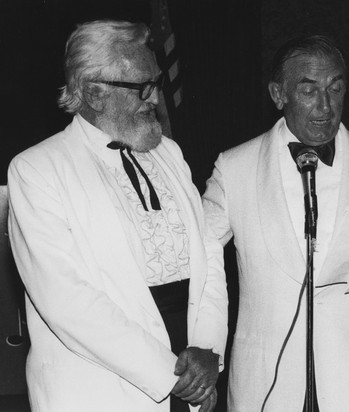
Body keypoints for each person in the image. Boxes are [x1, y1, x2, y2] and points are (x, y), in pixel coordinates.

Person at [202, 34, 349, 411]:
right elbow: (195, 255)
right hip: (266, 381)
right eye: (309, 90)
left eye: (335, 88)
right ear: (278, 94)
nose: (325, 106)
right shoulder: (234, 168)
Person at [8, 20, 227, 412]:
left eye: (156, 82)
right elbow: (66, 301)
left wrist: (209, 349)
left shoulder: (169, 154)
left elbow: (209, 256)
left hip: (190, 366)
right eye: (143, 86)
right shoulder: (37, 169)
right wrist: (171, 374)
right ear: (94, 93)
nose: (155, 98)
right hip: (98, 387)